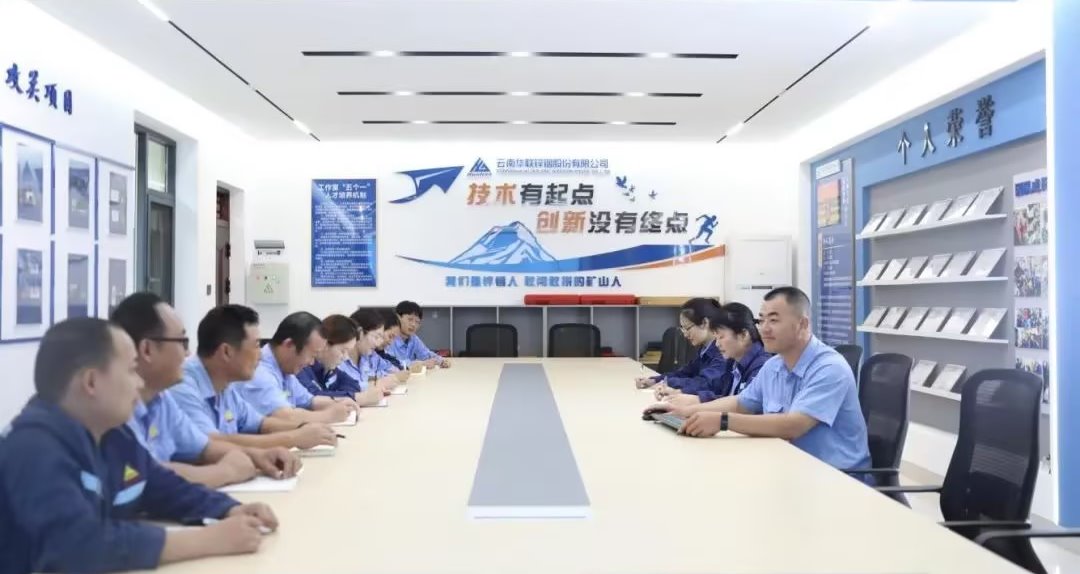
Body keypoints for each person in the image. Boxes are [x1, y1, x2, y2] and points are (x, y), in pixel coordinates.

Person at [0, 318, 277, 574]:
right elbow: (75, 545)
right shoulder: (32, 448)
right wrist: (206, 540)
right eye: (131, 370)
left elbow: (163, 487)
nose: (140, 382)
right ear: (92, 382)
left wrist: (228, 509)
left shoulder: (113, 435)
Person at [645, 287, 871, 472]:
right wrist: (683, 411)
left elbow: (794, 425)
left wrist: (723, 421)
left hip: (836, 477)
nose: (764, 329)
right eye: (761, 320)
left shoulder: (829, 368)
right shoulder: (774, 365)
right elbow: (740, 403)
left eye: (774, 320)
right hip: (788, 465)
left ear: (802, 324)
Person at [110, 292, 301, 489]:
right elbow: (145, 476)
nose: (187, 353)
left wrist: (258, 456)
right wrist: (227, 471)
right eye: (182, 342)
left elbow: (203, 447)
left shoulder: (161, 398)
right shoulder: (114, 408)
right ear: (147, 350)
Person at [170, 305, 338, 450]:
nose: (261, 354)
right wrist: (294, 438)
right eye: (256, 345)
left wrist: (304, 428)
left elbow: (260, 424)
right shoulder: (182, 385)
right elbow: (209, 444)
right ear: (226, 352)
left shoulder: (224, 385)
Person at [234, 312, 357, 424]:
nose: (312, 363)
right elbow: (284, 417)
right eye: (312, 355)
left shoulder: (285, 369)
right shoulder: (259, 372)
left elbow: (309, 401)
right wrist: (329, 415)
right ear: (289, 345)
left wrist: (338, 403)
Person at [659, 302, 771, 405]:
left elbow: (745, 406)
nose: (717, 344)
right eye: (716, 338)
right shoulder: (733, 362)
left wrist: (696, 401)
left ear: (743, 335)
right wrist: (680, 393)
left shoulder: (762, 367)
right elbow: (719, 391)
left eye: (721, 337)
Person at [635, 298, 727, 396]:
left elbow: (704, 383)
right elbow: (684, 373)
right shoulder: (704, 349)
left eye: (687, 328)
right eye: (683, 329)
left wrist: (667, 383)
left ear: (704, 323)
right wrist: (655, 380)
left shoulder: (722, 351)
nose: (685, 335)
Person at [387, 301, 450, 369]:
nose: (413, 325)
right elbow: (389, 363)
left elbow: (426, 354)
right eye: (410, 319)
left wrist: (441, 361)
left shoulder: (413, 338)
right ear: (398, 318)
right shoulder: (388, 339)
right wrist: (420, 364)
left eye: (417, 322)